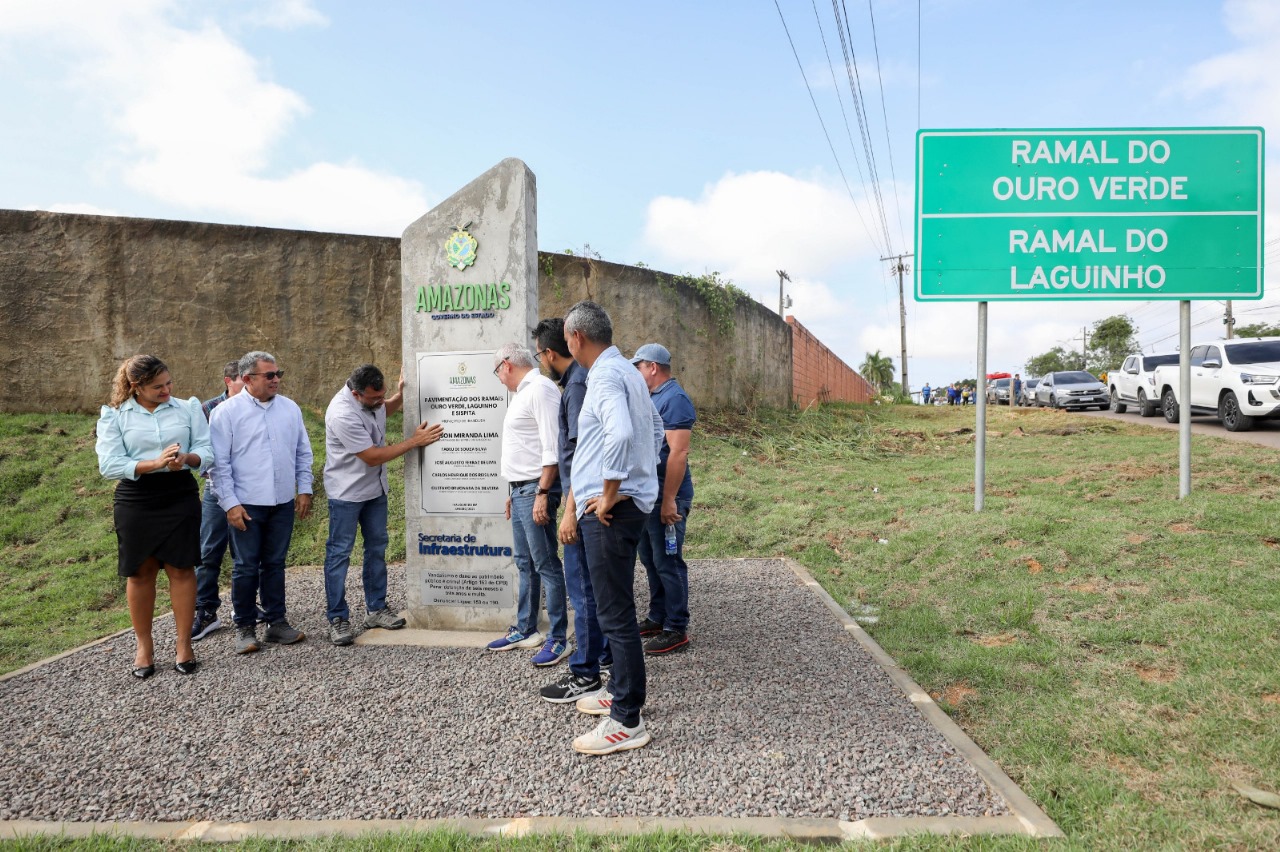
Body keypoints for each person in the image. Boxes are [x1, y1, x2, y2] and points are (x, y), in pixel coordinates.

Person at [563, 300, 664, 755]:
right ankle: (618, 692)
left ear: (576, 338)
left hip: (607, 512)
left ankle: (627, 718)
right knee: (616, 608)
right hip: (623, 506)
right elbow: (657, 432)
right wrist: (638, 482)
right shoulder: (627, 372)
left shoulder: (603, 375)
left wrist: (608, 492)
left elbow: (622, 435)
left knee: (615, 614)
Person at [95, 355, 211, 679]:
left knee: (182, 568)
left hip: (179, 496)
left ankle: (184, 644)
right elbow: (109, 464)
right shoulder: (115, 415)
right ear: (136, 386)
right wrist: (154, 463)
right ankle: (144, 647)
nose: (167, 390)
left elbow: (207, 449)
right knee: (140, 573)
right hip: (136, 499)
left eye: (169, 383)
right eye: (158, 386)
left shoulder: (187, 408)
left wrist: (187, 457)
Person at [322, 365, 443, 646]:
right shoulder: (342, 414)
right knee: (340, 554)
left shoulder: (372, 400)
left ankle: (376, 609)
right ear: (355, 393)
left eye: (382, 394)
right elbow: (373, 456)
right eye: (375, 397)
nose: (380, 401)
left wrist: (399, 396)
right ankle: (338, 617)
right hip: (347, 494)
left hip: (375, 491)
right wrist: (414, 442)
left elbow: (384, 409)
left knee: (376, 548)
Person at [208, 351, 313, 654]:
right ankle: (244, 626)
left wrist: (304, 489)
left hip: (281, 501)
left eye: (279, 373)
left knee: (276, 564)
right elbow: (219, 465)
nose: (276, 379)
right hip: (246, 503)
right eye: (270, 375)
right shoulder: (226, 413)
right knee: (245, 566)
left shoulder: (290, 409)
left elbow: (302, 451)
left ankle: (276, 622)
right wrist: (229, 504)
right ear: (247, 378)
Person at [533, 319, 611, 703]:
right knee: (596, 590)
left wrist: (569, 511)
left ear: (550, 353)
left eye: (541, 353)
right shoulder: (581, 380)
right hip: (590, 502)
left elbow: (584, 453)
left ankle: (585, 673)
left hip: (582, 507)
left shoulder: (578, 385)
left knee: (583, 591)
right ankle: (605, 657)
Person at [486, 342, 569, 667]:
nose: (499, 379)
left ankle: (559, 638)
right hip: (522, 490)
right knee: (525, 562)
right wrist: (515, 489)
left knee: (546, 563)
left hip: (536, 489)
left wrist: (542, 493)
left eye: (497, 372)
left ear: (506, 365)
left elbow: (553, 446)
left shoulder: (540, 390)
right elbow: (527, 447)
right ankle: (526, 628)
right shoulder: (524, 392)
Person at [631, 343, 695, 655]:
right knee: (652, 559)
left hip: (667, 497)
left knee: (668, 562)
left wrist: (670, 500)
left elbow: (678, 453)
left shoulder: (675, 399)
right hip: (649, 495)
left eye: (638, 366)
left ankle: (676, 628)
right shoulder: (655, 397)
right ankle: (658, 617)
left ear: (653, 367)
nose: (635, 372)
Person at [191, 361, 248, 641]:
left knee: (246, 554)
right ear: (229, 381)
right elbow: (201, 452)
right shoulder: (208, 409)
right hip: (215, 490)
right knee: (208, 551)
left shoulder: (257, 406)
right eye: (242, 379)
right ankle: (205, 611)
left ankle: (245, 609)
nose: (248, 385)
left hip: (248, 490)